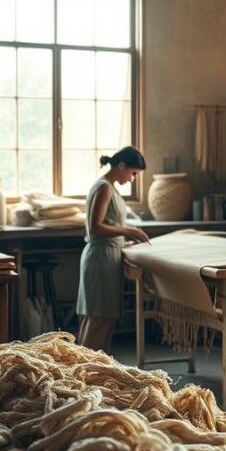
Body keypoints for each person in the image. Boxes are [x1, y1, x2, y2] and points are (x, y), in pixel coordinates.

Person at [76, 146, 149, 354]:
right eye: (133, 173)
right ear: (122, 166)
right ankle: (87, 374)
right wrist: (128, 231)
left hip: (106, 256)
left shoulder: (108, 186)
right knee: (99, 319)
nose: (133, 179)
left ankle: (91, 372)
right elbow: (96, 226)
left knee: (101, 318)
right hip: (100, 257)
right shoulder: (104, 187)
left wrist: (125, 239)